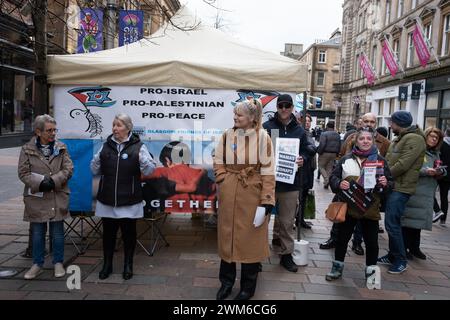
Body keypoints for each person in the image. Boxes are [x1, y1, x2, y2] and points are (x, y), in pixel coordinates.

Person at [214, 99, 275, 300]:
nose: (235, 117)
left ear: (252, 118)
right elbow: (218, 160)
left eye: (239, 115)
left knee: (250, 241)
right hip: (229, 192)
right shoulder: (227, 135)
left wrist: (266, 202)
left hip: (252, 195)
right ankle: (226, 283)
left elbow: (268, 172)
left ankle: (248, 287)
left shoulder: (263, 137)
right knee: (227, 238)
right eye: (235, 114)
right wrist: (223, 179)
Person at [91, 113, 156, 280]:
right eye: (113, 125)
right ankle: (107, 265)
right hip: (108, 199)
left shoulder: (139, 147)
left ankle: (128, 265)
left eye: (119, 125)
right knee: (108, 235)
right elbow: (94, 170)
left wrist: (144, 161)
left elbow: (150, 171)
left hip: (129, 199)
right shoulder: (105, 146)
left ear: (128, 128)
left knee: (129, 235)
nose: (115, 128)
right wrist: (97, 160)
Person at [325, 127, 393, 281]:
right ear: (356, 140)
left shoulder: (380, 160)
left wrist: (385, 182)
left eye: (369, 139)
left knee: (372, 243)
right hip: (348, 207)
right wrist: (339, 183)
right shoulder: (346, 159)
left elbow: (390, 185)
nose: (365, 141)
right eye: (362, 139)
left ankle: (372, 275)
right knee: (342, 239)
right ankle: (337, 268)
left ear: (373, 141)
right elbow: (333, 178)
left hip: (370, 209)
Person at [320, 113, 391, 251]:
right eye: (366, 121)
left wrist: (383, 182)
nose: (368, 124)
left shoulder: (385, 142)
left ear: (375, 123)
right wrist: (341, 180)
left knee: (365, 222)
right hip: (348, 189)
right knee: (340, 218)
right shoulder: (351, 137)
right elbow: (341, 155)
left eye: (372, 121)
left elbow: (387, 169)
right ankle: (334, 239)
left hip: (369, 194)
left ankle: (357, 243)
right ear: (360, 122)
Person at [18, 114, 73, 279]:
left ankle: (58, 263)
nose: (53, 133)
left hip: (57, 194)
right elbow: (23, 172)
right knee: (37, 232)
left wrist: (54, 180)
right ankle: (37, 264)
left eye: (55, 130)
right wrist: (40, 182)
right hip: (37, 196)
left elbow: (68, 168)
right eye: (49, 130)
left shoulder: (61, 147)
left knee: (57, 231)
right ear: (38, 131)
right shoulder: (27, 149)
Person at [263, 94, 311, 273]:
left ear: (292, 108)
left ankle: (286, 255)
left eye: (287, 106)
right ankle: (257, 256)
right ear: (277, 107)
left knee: (287, 222)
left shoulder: (299, 130)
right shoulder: (267, 127)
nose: (284, 109)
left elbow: (307, 150)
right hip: (268, 182)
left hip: (289, 184)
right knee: (263, 221)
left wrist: (302, 159)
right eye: (281, 105)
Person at [378, 111, 426, 274]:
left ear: (399, 123)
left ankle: (400, 259)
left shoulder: (414, 139)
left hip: (401, 188)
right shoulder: (401, 138)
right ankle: (392, 255)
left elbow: (403, 164)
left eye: (392, 122)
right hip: (393, 186)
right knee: (391, 223)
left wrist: (385, 175)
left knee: (392, 224)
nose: (390, 125)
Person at [402, 127, 446, 260]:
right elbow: (410, 168)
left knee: (419, 222)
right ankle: (404, 248)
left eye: (436, 137)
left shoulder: (436, 153)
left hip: (427, 192)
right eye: (431, 136)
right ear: (425, 136)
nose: (433, 139)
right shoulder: (419, 150)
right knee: (409, 222)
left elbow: (440, 168)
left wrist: (441, 172)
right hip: (416, 190)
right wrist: (426, 171)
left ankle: (415, 247)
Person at [295, 113, 317, 229]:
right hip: (302, 169)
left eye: (309, 121)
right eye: (305, 121)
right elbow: (311, 149)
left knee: (303, 195)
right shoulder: (302, 134)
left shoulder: (309, 134)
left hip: (309, 169)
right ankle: (298, 219)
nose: (307, 123)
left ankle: (300, 218)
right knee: (299, 196)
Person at [433, 128, 450, 226]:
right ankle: (443, 220)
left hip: (437, 172)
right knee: (444, 196)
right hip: (448, 175)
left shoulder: (441, 144)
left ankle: (437, 210)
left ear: (445, 134)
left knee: (431, 193)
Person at [317, 121, 341, 189]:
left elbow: (322, 144)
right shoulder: (337, 135)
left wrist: (319, 152)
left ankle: (326, 180)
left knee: (321, 166)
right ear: (333, 127)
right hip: (333, 154)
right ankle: (327, 182)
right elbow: (339, 145)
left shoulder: (324, 134)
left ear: (327, 126)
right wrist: (337, 154)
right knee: (329, 168)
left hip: (325, 152)